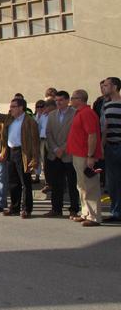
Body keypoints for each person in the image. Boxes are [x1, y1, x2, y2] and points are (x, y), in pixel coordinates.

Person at [0, 94, 40, 218]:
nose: (11, 109)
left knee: (25, 183)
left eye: (13, 106)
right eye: (11, 106)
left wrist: (35, 159)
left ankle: (26, 209)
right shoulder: (9, 118)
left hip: (23, 153)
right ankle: (14, 207)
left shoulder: (30, 121)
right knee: (13, 182)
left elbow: (35, 142)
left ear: (21, 108)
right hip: (11, 152)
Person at [67, 89, 103, 226]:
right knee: (81, 186)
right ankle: (86, 212)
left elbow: (92, 135)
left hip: (85, 155)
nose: (71, 100)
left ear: (80, 99)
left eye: (73, 98)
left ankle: (94, 217)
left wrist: (91, 156)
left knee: (90, 186)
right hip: (78, 155)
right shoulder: (79, 113)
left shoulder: (87, 113)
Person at [44, 91, 79, 218]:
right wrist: (55, 148)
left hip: (68, 153)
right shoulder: (52, 114)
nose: (58, 103)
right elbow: (48, 133)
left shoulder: (75, 113)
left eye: (61, 100)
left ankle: (74, 209)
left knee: (72, 184)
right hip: (54, 154)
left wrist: (62, 148)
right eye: (56, 100)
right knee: (56, 183)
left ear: (67, 100)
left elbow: (74, 134)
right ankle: (56, 208)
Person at [102, 77, 121, 223]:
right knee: (113, 182)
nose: (104, 87)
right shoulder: (106, 105)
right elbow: (104, 128)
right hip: (110, 146)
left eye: (106, 85)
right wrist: (102, 147)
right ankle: (116, 212)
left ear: (114, 87)